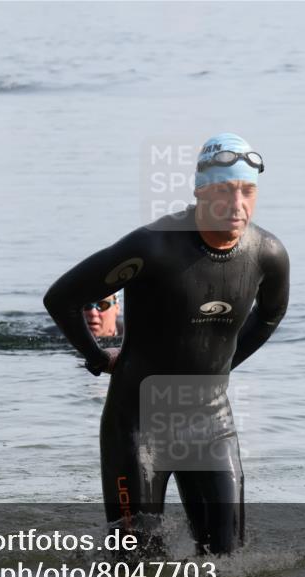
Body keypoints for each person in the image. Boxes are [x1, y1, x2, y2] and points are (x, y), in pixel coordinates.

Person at [44, 132, 289, 555]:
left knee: (227, 565)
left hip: (211, 422)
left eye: (247, 191)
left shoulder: (267, 253)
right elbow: (62, 298)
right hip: (138, 424)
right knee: (136, 568)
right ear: (199, 193)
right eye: (224, 190)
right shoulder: (154, 246)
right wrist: (97, 357)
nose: (237, 204)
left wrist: (222, 368)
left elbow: (270, 315)